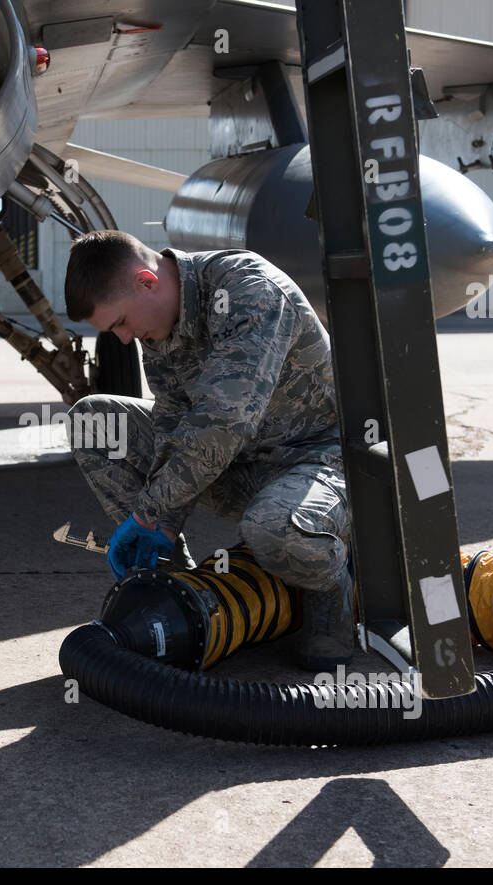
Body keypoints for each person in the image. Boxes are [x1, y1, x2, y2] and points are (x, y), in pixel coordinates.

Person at [63, 229, 355, 668]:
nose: (124, 338)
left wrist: (147, 512)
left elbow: (223, 421)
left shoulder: (248, 290)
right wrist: (161, 524)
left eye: (120, 323)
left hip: (317, 461)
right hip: (238, 464)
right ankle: (175, 588)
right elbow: (172, 425)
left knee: (273, 528)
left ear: (146, 281)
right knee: (96, 420)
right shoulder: (158, 326)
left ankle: (332, 587)